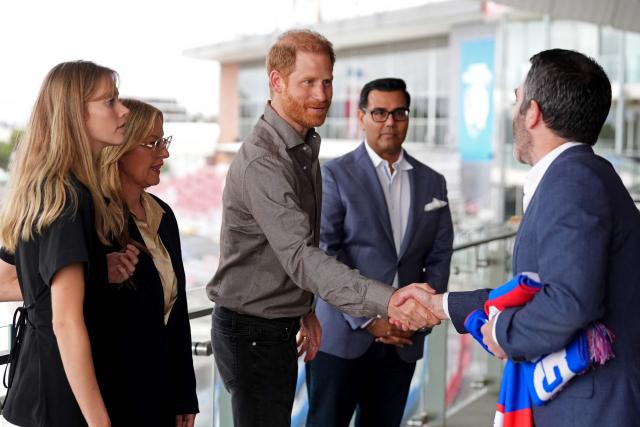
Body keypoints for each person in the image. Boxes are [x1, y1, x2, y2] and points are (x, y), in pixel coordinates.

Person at [206, 30, 439, 426]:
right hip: (252, 334)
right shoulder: (265, 160)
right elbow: (301, 256)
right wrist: (390, 300)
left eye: (327, 81)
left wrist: (305, 308)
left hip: (276, 325)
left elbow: (294, 249)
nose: (322, 94)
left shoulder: (303, 144)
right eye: (308, 83)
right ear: (276, 82)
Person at [421, 49, 640, 426]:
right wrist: (443, 305)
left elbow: (569, 300)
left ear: (533, 112)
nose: (514, 110)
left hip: (587, 408)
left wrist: (502, 334)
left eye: (516, 99)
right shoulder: (583, 174)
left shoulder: (572, 183)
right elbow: (539, 289)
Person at [305, 78, 454, 427]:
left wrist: (417, 317)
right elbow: (325, 253)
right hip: (342, 335)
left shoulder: (433, 182)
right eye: (380, 112)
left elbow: (439, 255)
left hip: (403, 339)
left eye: (399, 112)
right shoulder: (334, 175)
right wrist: (371, 319)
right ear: (361, 117)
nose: (390, 121)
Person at [0, 61, 130, 427]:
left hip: (39, 393)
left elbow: (30, 285)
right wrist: (99, 422)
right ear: (76, 114)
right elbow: (66, 322)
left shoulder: (47, 188)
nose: (123, 111)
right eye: (109, 101)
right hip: (60, 401)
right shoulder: (69, 198)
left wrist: (90, 273)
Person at [99, 99, 199, 427]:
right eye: (153, 143)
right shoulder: (88, 217)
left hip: (160, 397)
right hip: (112, 403)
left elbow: (177, 312)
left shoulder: (163, 214)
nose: (164, 154)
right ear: (120, 147)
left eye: (164, 141)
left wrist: (185, 393)